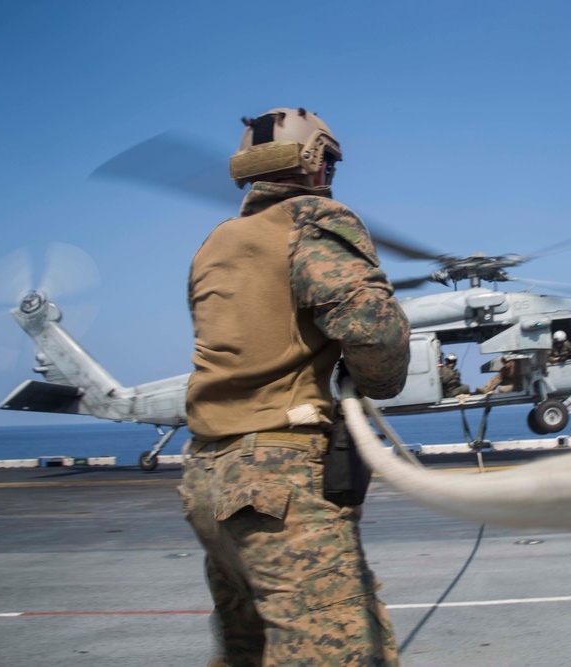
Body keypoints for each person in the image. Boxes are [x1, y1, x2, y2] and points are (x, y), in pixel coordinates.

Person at [180, 107, 410, 667]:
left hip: (208, 481)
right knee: (340, 652)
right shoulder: (310, 221)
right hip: (279, 482)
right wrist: (378, 378)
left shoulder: (218, 242)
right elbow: (373, 331)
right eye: (328, 161)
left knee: (247, 650)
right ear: (314, 161)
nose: (330, 174)